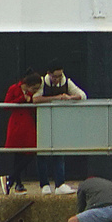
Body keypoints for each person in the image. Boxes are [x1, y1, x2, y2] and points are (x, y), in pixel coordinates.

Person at [33, 64, 85, 194]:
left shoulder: (66, 82)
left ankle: (60, 184)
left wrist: (70, 97)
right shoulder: (42, 83)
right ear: (49, 74)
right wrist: (56, 99)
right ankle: (44, 184)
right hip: (43, 122)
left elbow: (82, 95)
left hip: (59, 123)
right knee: (42, 154)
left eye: (59, 76)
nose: (57, 79)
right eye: (55, 76)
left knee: (59, 153)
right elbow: (35, 99)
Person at [1, 71, 41, 194]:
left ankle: (11, 178)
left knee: (30, 152)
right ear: (28, 84)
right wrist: (22, 98)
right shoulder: (14, 89)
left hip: (28, 124)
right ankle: (17, 182)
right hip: (17, 124)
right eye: (33, 88)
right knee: (18, 154)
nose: (34, 91)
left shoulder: (31, 94)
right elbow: (6, 105)